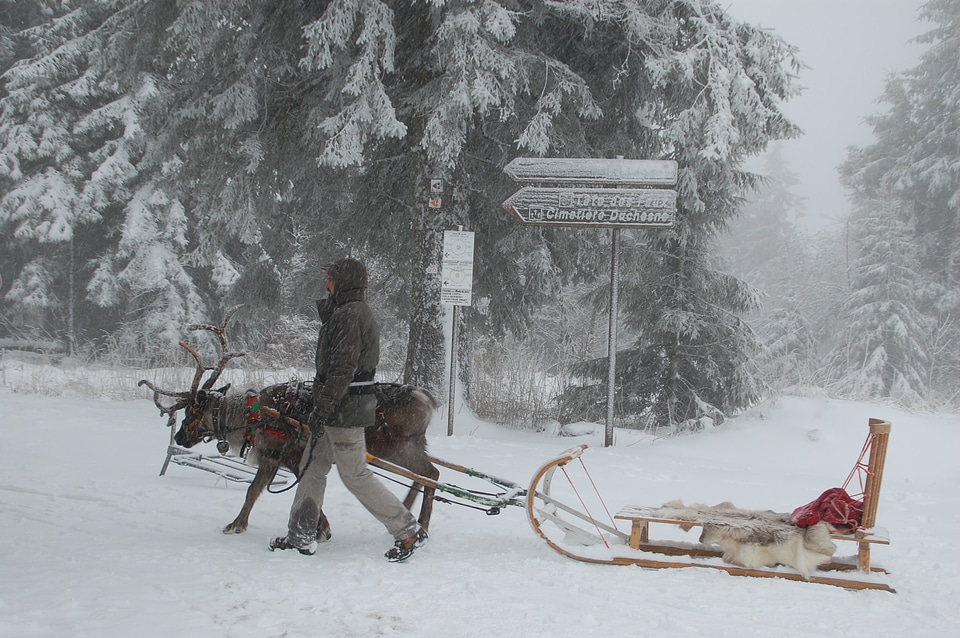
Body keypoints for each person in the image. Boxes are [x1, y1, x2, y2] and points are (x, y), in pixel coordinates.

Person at [269, 257, 425, 561]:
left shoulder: (349, 316)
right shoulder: (346, 312)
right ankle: (301, 535)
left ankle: (407, 530)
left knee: (355, 474)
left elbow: (342, 369)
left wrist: (322, 407)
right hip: (339, 407)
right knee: (311, 467)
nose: (326, 283)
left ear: (344, 282)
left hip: (344, 409)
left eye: (330, 278)